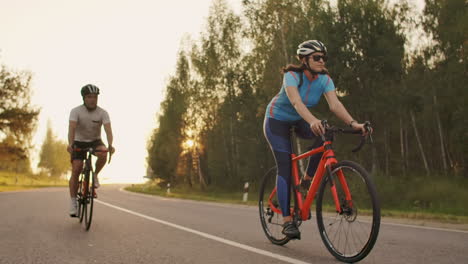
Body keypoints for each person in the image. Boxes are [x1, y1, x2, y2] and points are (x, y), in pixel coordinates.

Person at [263, 40, 370, 239]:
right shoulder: (292, 76)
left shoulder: (324, 79)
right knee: (285, 166)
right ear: (304, 60)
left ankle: (306, 180)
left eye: (324, 57)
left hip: (299, 119)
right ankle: (287, 222)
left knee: (326, 133)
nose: (322, 61)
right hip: (276, 121)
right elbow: (295, 101)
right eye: (317, 57)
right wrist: (312, 120)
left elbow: (335, 105)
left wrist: (354, 124)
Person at [67, 84, 115, 217]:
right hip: (79, 141)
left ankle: (95, 175)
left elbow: (108, 130)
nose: (92, 100)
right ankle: (73, 202)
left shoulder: (102, 113)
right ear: (84, 98)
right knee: (76, 168)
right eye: (89, 97)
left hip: (95, 141)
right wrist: (70, 144)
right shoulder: (76, 111)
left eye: (94, 97)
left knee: (103, 152)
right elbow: (71, 129)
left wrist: (110, 145)